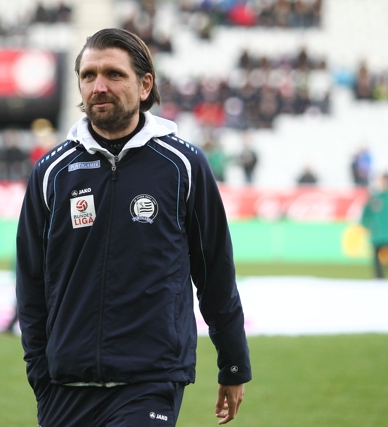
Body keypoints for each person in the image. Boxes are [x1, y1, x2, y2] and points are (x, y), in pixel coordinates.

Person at [16, 28, 252, 427]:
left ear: (145, 85)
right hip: (65, 386)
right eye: (88, 75)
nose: (99, 86)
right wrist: (40, 373)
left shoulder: (184, 165)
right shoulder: (51, 172)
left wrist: (233, 363)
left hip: (151, 379)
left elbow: (214, 273)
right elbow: (31, 283)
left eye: (113, 74)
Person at [360, 173, 388, 279]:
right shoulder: (376, 198)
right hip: (378, 234)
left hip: (387, 234)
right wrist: (368, 226)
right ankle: (381, 280)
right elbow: (365, 216)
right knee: (378, 260)